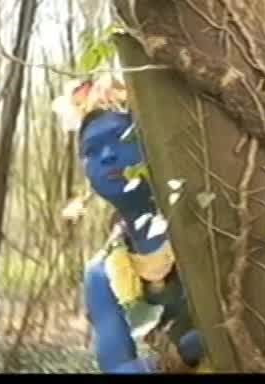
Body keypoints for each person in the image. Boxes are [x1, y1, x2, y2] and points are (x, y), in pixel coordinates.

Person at [52, 75, 206, 373]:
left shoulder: (207, 223)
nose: (108, 156)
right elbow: (117, 368)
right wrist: (178, 356)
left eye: (123, 139)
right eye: (92, 151)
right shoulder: (102, 273)